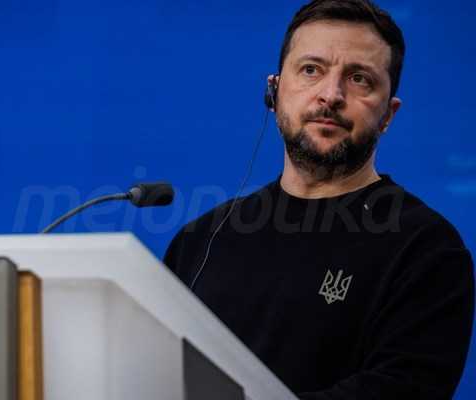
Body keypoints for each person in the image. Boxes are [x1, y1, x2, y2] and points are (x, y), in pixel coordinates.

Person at [164, 0, 474, 399]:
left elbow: (401, 389)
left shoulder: (427, 249)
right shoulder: (201, 240)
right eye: (311, 70)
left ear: (388, 114)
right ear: (274, 91)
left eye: (359, 79)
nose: (331, 94)